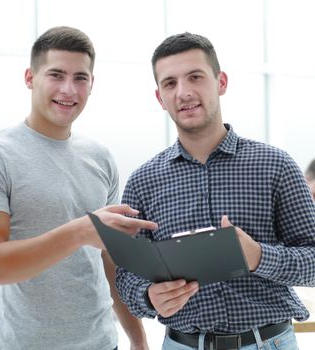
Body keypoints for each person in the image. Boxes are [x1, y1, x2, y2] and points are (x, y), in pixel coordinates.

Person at [0, 26, 158, 350]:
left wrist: (137, 338)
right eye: (56, 74)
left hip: (102, 344)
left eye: (80, 77)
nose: (69, 89)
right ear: (29, 77)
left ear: (92, 84)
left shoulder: (100, 157)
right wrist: (80, 231)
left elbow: (110, 260)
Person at [115, 32, 315, 350]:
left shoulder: (276, 165)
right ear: (159, 98)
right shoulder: (143, 181)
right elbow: (126, 274)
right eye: (170, 83)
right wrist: (148, 297)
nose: (183, 92)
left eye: (195, 77)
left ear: (220, 82)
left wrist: (258, 257)